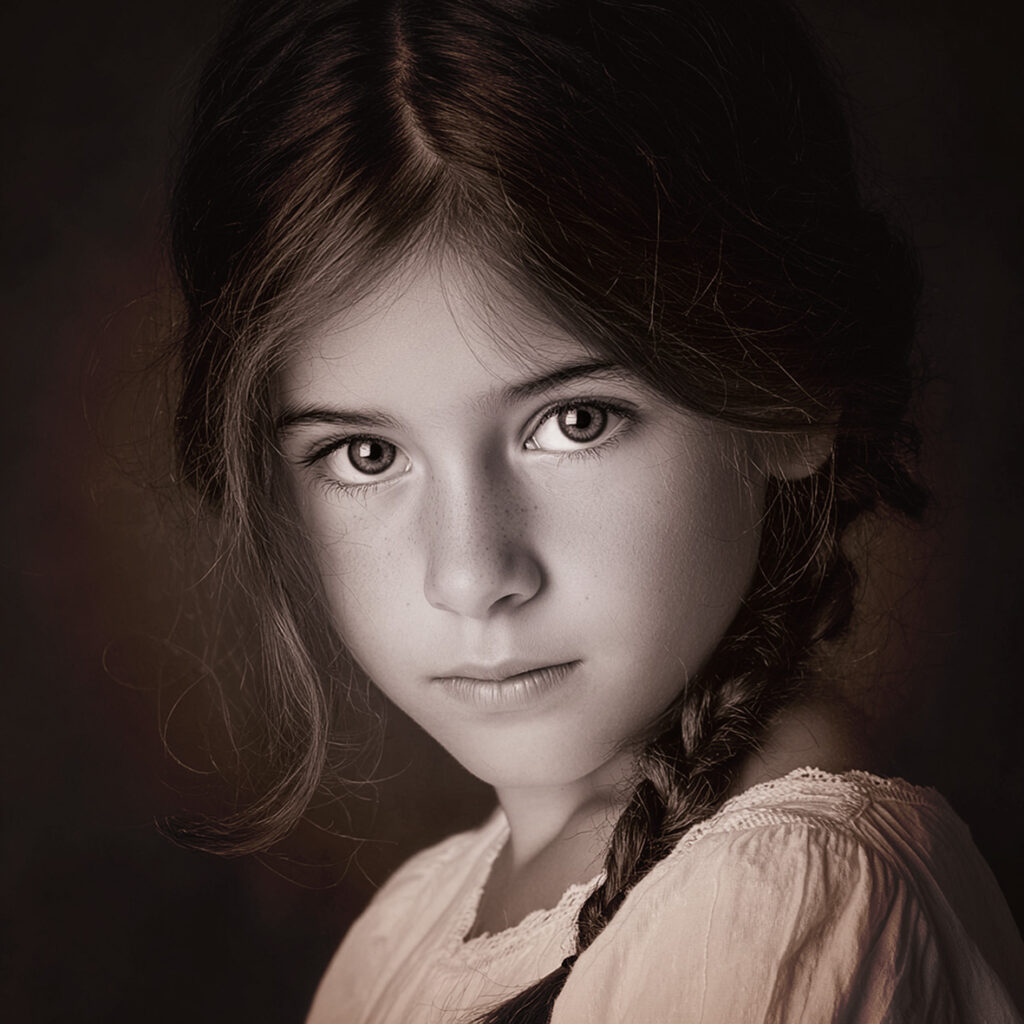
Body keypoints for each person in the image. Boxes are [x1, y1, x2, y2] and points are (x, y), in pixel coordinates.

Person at [167, 0, 1024, 1020]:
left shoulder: (782, 902)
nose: (472, 573)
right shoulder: (410, 925)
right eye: (366, 452)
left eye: (574, 421)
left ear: (789, 392)